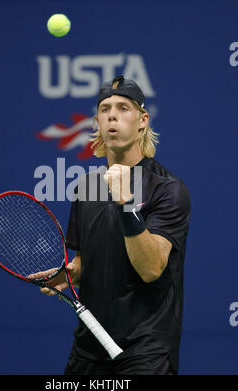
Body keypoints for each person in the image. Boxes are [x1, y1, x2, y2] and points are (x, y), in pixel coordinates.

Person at [30, 75, 191, 375]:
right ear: (97, 122)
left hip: (145, 353)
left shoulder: (167, 189)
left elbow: (151, 268)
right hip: (88, 349)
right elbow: (84, 263)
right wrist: (69, 274)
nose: (112, 115)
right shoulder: (86, 188)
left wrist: (125, 204)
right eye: (105, 109)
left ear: (143, 120)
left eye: (123, 108)